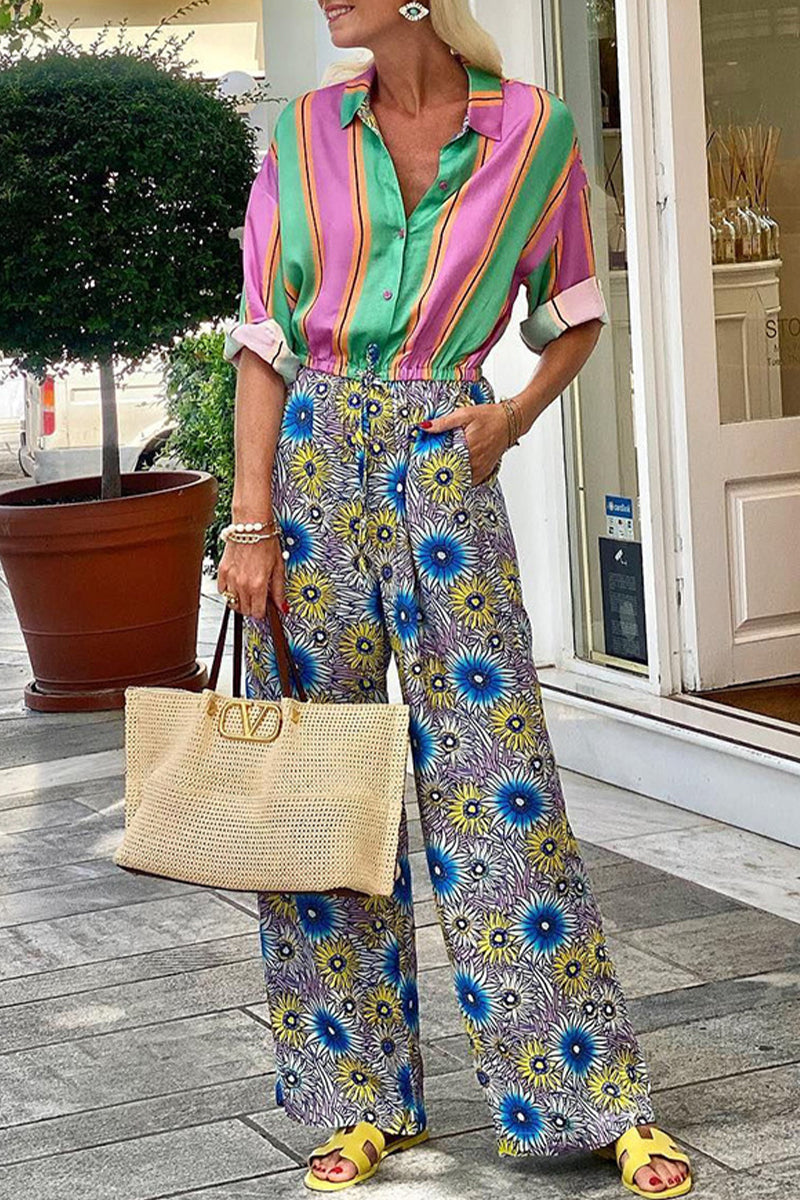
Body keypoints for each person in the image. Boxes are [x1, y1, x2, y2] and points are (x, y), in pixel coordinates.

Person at [218, 1, 693, 1195]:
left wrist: (510, 416)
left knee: (498, 783)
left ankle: (585, 1098)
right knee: (324, 790)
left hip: (444, 461)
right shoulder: (305, 132)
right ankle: (357, 1099)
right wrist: (248, 523)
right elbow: (263, 340)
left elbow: (573, 312)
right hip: (311, 471)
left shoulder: (532, 130)